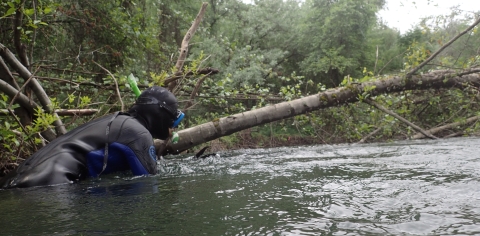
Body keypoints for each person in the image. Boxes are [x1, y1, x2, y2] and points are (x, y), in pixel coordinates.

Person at [0, 86, 184, 189]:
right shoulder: (139, 133)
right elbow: (149, 184)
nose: (174, 123)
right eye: (173, 115)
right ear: (160, 114)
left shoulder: (118, 122)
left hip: (17, 179)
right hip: (48, 184)